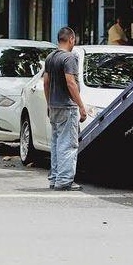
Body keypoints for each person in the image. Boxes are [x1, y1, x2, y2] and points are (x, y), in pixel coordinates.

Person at [43, 27, 87, 191]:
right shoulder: (69, 58)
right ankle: (64, 180)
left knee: (56, 144)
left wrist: (48, 103)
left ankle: (55, 178)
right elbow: (71, 83)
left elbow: (46, 83)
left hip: (54, 105)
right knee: (68, 144)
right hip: (67, 106)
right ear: (71, 40)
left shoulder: (50, 57)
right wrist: (81, 106)